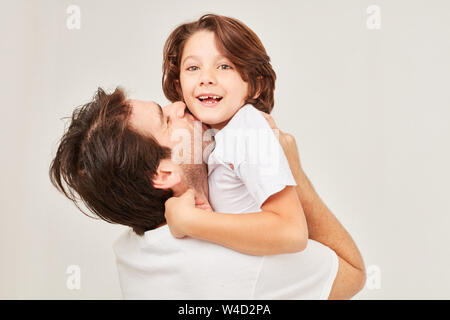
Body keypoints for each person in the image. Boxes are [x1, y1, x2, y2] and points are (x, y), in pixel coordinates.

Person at [49, 87, 366, 299]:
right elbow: (353, 272)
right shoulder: (240, 263)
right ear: (164, 173)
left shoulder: (132, 251)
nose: (179, 106)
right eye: (166, 118)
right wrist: (292, 173)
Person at [160, 14, 308, 256]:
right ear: (179, 87)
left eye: (224, 66)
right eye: (193, 67)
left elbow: (292, 232)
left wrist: (190, 221)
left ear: (255, 86)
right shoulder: (211, 141)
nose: (206, 78)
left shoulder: (247, 127)